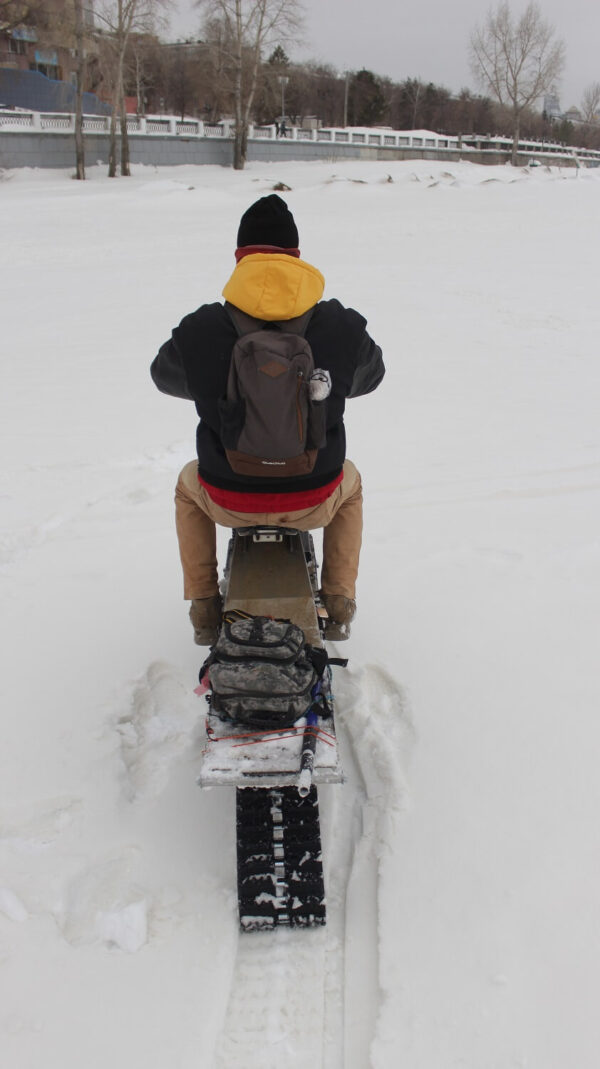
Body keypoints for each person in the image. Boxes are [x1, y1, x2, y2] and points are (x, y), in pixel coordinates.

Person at [151, 194, 384, 644]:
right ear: (296, 256)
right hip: (314, 496)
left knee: (186, 486)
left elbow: (163, 377)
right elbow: (372, 377)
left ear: (240, 257)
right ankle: (338, 600)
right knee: (351, 484)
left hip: (227, 495)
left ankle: (204, 606)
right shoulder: (341, 325)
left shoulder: (202, 328)